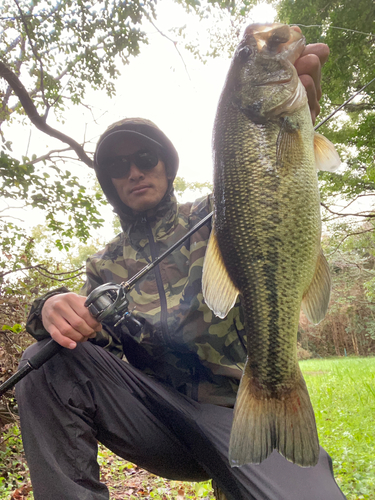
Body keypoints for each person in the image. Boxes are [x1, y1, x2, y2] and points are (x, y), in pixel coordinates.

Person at [15, 36, 346, 500]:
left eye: (145, 158)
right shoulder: (104, 265)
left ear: (166, 165)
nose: (133, 172)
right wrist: (48, 307)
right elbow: (92, 350)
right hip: (159, 422)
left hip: (243, 412)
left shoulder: (220, 213)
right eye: (117, 165)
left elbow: (276, 187)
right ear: (110, 181)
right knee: (42, 364)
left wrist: (292, 123)